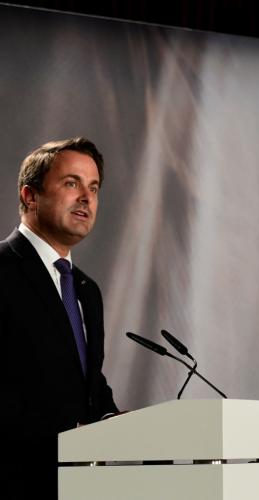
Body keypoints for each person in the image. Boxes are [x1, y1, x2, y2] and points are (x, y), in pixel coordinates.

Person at [1, 137, 119, 499]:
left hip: (80, 486)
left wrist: (122, 423)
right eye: (72, 183)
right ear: (29, 196)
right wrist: (71, 433)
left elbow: (88, 387)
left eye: (94, 188)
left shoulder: (86, 290)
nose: (87, 197)